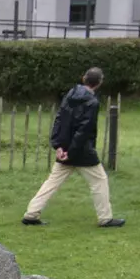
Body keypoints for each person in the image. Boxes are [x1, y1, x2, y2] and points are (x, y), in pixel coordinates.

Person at [22, 66, 125, 228]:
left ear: (84, 78)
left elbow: (59, 120)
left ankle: (31, 213)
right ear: (99, 83)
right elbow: (84, 130)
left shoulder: (70, 94)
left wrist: (59, 146)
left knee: (52, 181)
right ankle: (105, 218)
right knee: (99, 180)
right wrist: (71, 151)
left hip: (65, 148)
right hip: (81, 150)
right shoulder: (92, 102)